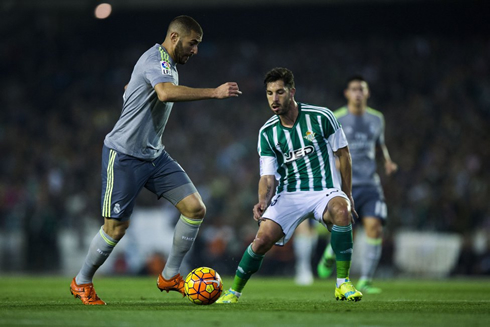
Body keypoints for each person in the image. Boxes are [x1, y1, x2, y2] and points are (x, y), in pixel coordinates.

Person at [69, 15, 241, 305]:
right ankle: (82, 281)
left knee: (195, 209)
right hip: (123, 155)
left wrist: (131, 90)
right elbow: (163, 93)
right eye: (192, 43)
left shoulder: (166, 64)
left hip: (154, 155)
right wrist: (214, 92)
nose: (195, 50)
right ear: (175, 38)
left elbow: (140, 88)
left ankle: (170, 275)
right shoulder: (157, 59)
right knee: (116, 228)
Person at [216, 67, 362, 304]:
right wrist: (263, 201)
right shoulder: (267, 133)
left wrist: (347, 194)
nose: (274, 99)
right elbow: (267, 176)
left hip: (323, 190)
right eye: (269, 93)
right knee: (262, 240)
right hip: (289, 195)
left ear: (292, 92)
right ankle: (234, 292)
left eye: (280, 92)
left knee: (341, 210)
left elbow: (343, 155)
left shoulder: (322, 117)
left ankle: (342, 283)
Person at [317, 75, 397, 294]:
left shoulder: (377, 119)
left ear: (367, 93)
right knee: (346, 232)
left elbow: (379, 145)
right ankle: (330, 253)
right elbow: (325, 145)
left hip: (371, 184)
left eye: (362, 89)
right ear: (347, 93)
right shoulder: (336, 117)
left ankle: (365, 281)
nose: (358, 93)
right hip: (344, 183)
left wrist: (387, 161)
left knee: (375, 228)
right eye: (354, 89)